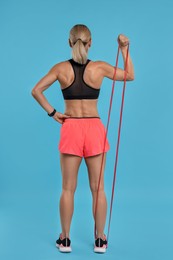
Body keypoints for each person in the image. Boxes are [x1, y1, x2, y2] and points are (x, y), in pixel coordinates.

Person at [31, 24, 134, 254]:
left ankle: (65, 240)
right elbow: (130, 75)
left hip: (71, 128)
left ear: (70, 43)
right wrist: (124, 49)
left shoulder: (60, 69)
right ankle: (100, 240)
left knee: (68, 188)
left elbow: (36, 90)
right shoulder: (99, 68)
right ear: (90, 43)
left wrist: (53, 113)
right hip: (94, 128)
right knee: (98, 189)